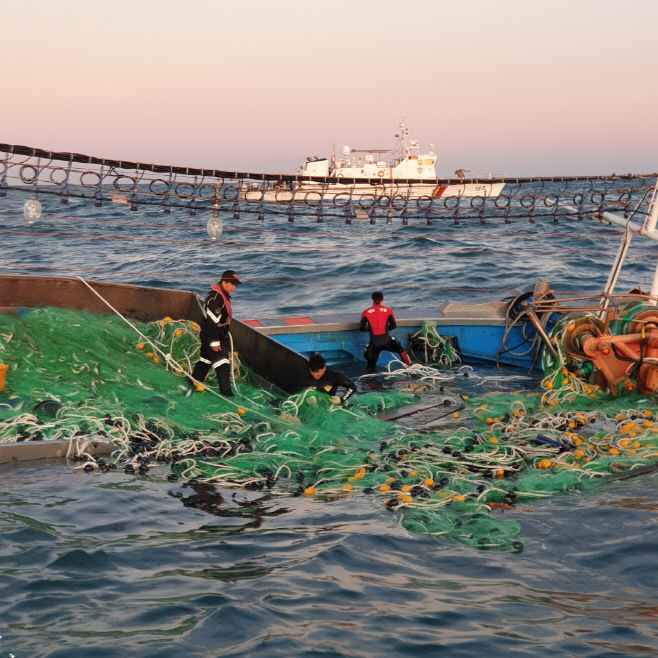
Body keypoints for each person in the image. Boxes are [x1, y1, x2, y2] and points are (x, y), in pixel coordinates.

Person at [190, 269, 241, 396]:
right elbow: (212, 322)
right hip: (213, 334)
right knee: (223, 364)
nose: (233, 288)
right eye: (232, 284)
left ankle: (194, 381)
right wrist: (214, 342)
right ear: (224, 282)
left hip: (215, 333)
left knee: (206, 360)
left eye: (235, 285)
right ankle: (227, 394)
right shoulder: (217, 299)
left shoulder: (218, 293)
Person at [359, 291, 411, 373]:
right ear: (382, 300)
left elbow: (361, 329)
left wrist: (369, 329)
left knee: (370, 366)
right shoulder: (388, 310)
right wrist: (386, 329)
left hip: (374, 343)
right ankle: (410, 368)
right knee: (401, 350)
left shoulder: (365, 312)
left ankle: (370, 380)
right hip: (387, 341)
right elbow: (393, 326)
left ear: (372, 300)